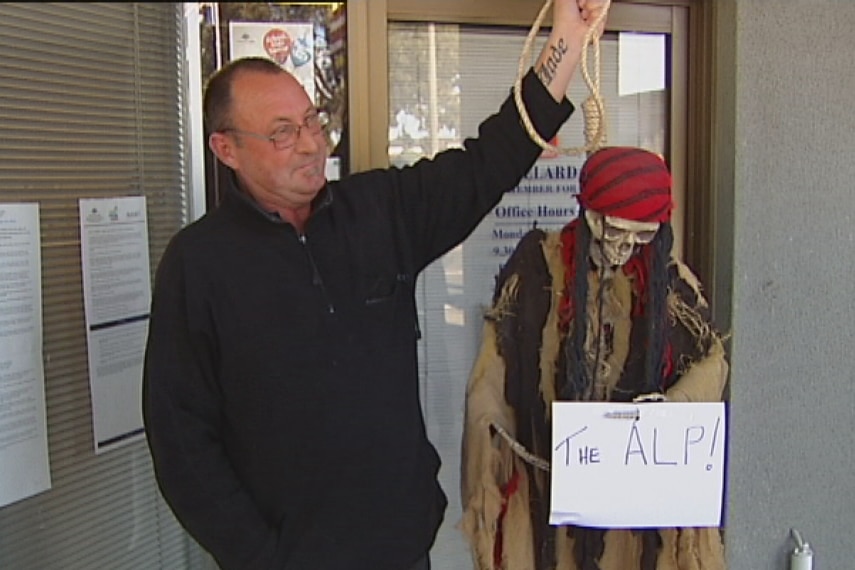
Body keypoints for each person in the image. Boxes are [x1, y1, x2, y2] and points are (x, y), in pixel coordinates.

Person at [141, 1, 609, 568]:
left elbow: (488, 163)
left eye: (312, 120)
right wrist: (261, 556)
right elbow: (180, 440)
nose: (313, 144)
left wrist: (566, 41)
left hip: (403, 551)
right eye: (283, 133)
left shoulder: (379, 213)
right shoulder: (199, 264)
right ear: (226, 148)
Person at [460, 147, 729, 569]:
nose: (624, 250)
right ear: (588, 216)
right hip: (549, 497)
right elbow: (492, 373)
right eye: (615, 232)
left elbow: (711, 360)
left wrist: (674, 406)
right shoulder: (536, 270)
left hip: (637, 517)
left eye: (643, 236)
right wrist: (495, 435)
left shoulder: (670, 283)